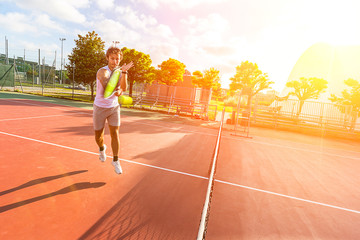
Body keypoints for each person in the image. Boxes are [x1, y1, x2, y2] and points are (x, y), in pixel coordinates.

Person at [93, 46, 134, 174]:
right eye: (112, 58)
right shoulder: (102, 72)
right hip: (100, 107)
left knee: (115, 134)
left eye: (117, 59)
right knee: (98, 136)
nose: (115, 61)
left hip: (114, 107)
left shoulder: (120, 71)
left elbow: (123, 88)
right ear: (107, 58)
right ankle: (101, 148)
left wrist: (124, 73)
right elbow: (107, 87)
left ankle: (115, 160)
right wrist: (116, 90)